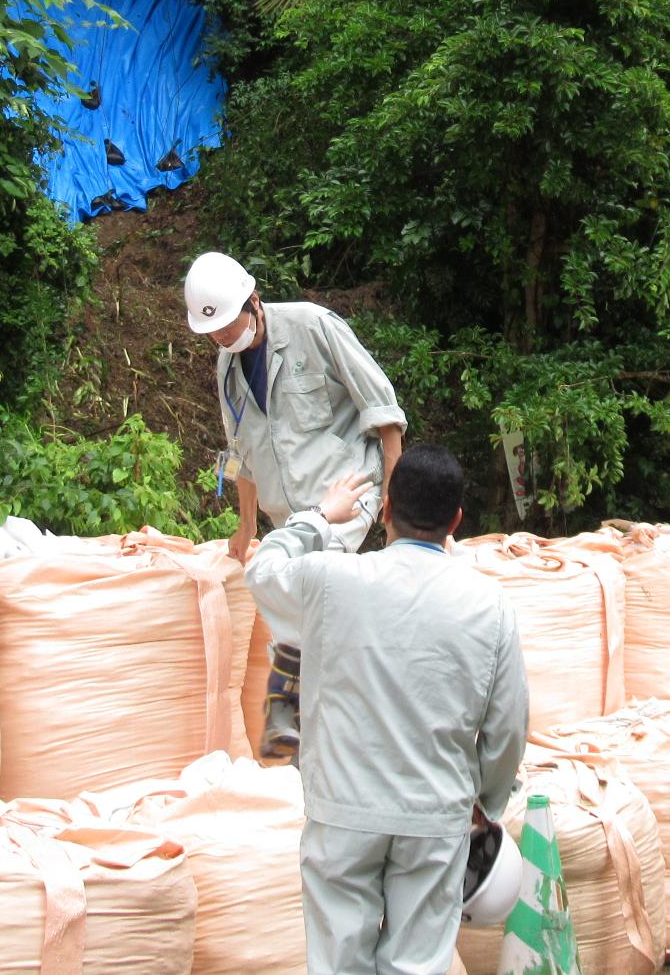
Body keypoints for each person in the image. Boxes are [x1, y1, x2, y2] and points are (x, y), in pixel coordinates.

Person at [246, 445, 530, 975]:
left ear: (386, 511)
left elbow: (263, 570)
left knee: (337, 963)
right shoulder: (490, 606)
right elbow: (507, 727)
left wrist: (316, 518)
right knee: (418, 965)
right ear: (456, 522)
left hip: (343, 811)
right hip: (435, 814)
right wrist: (484, 804)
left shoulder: (330, 582)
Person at [184, 250, 407, 758]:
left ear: (254, 301)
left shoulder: (313, 327)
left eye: (228, 328)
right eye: (213, 335)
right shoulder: (228, 370)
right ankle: (318, 727)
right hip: (292, 517)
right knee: (298, 607)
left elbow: (383, 411)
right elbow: (240, 455)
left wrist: (395, 504)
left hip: (347, 493)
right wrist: (245, 529)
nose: (222, 340)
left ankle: (337, 733)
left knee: (315, 600)